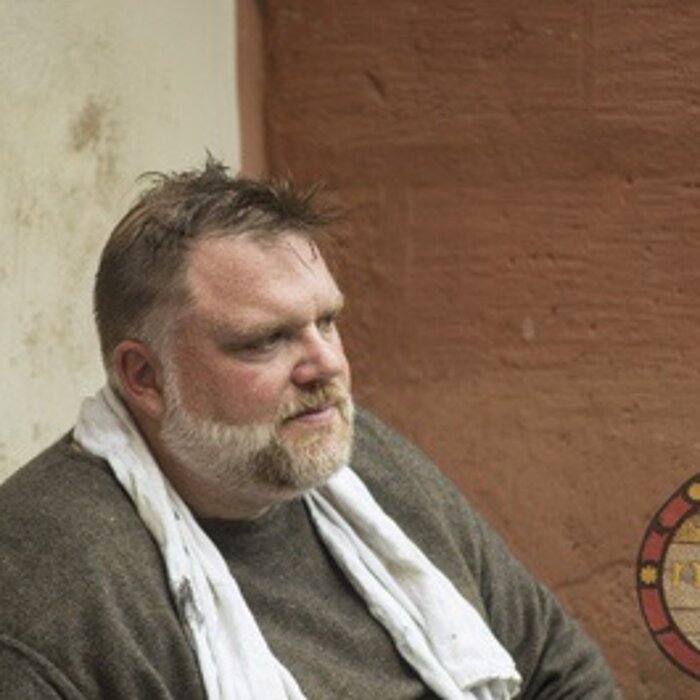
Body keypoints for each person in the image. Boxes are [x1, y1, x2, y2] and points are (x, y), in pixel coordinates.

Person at [0, 159, 621, 699]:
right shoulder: (45, 576)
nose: (326, 365)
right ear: (145, 377)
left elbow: (559, 672)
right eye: (266, 340)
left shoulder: (363, 459)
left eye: (327, 322)